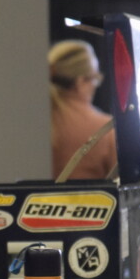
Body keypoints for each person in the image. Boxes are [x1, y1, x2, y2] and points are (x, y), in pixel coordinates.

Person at [48, 39, 117, 181]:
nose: (96, 85)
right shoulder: (104, 128)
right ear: (80, 82)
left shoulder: (33, 122)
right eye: (95, 78)